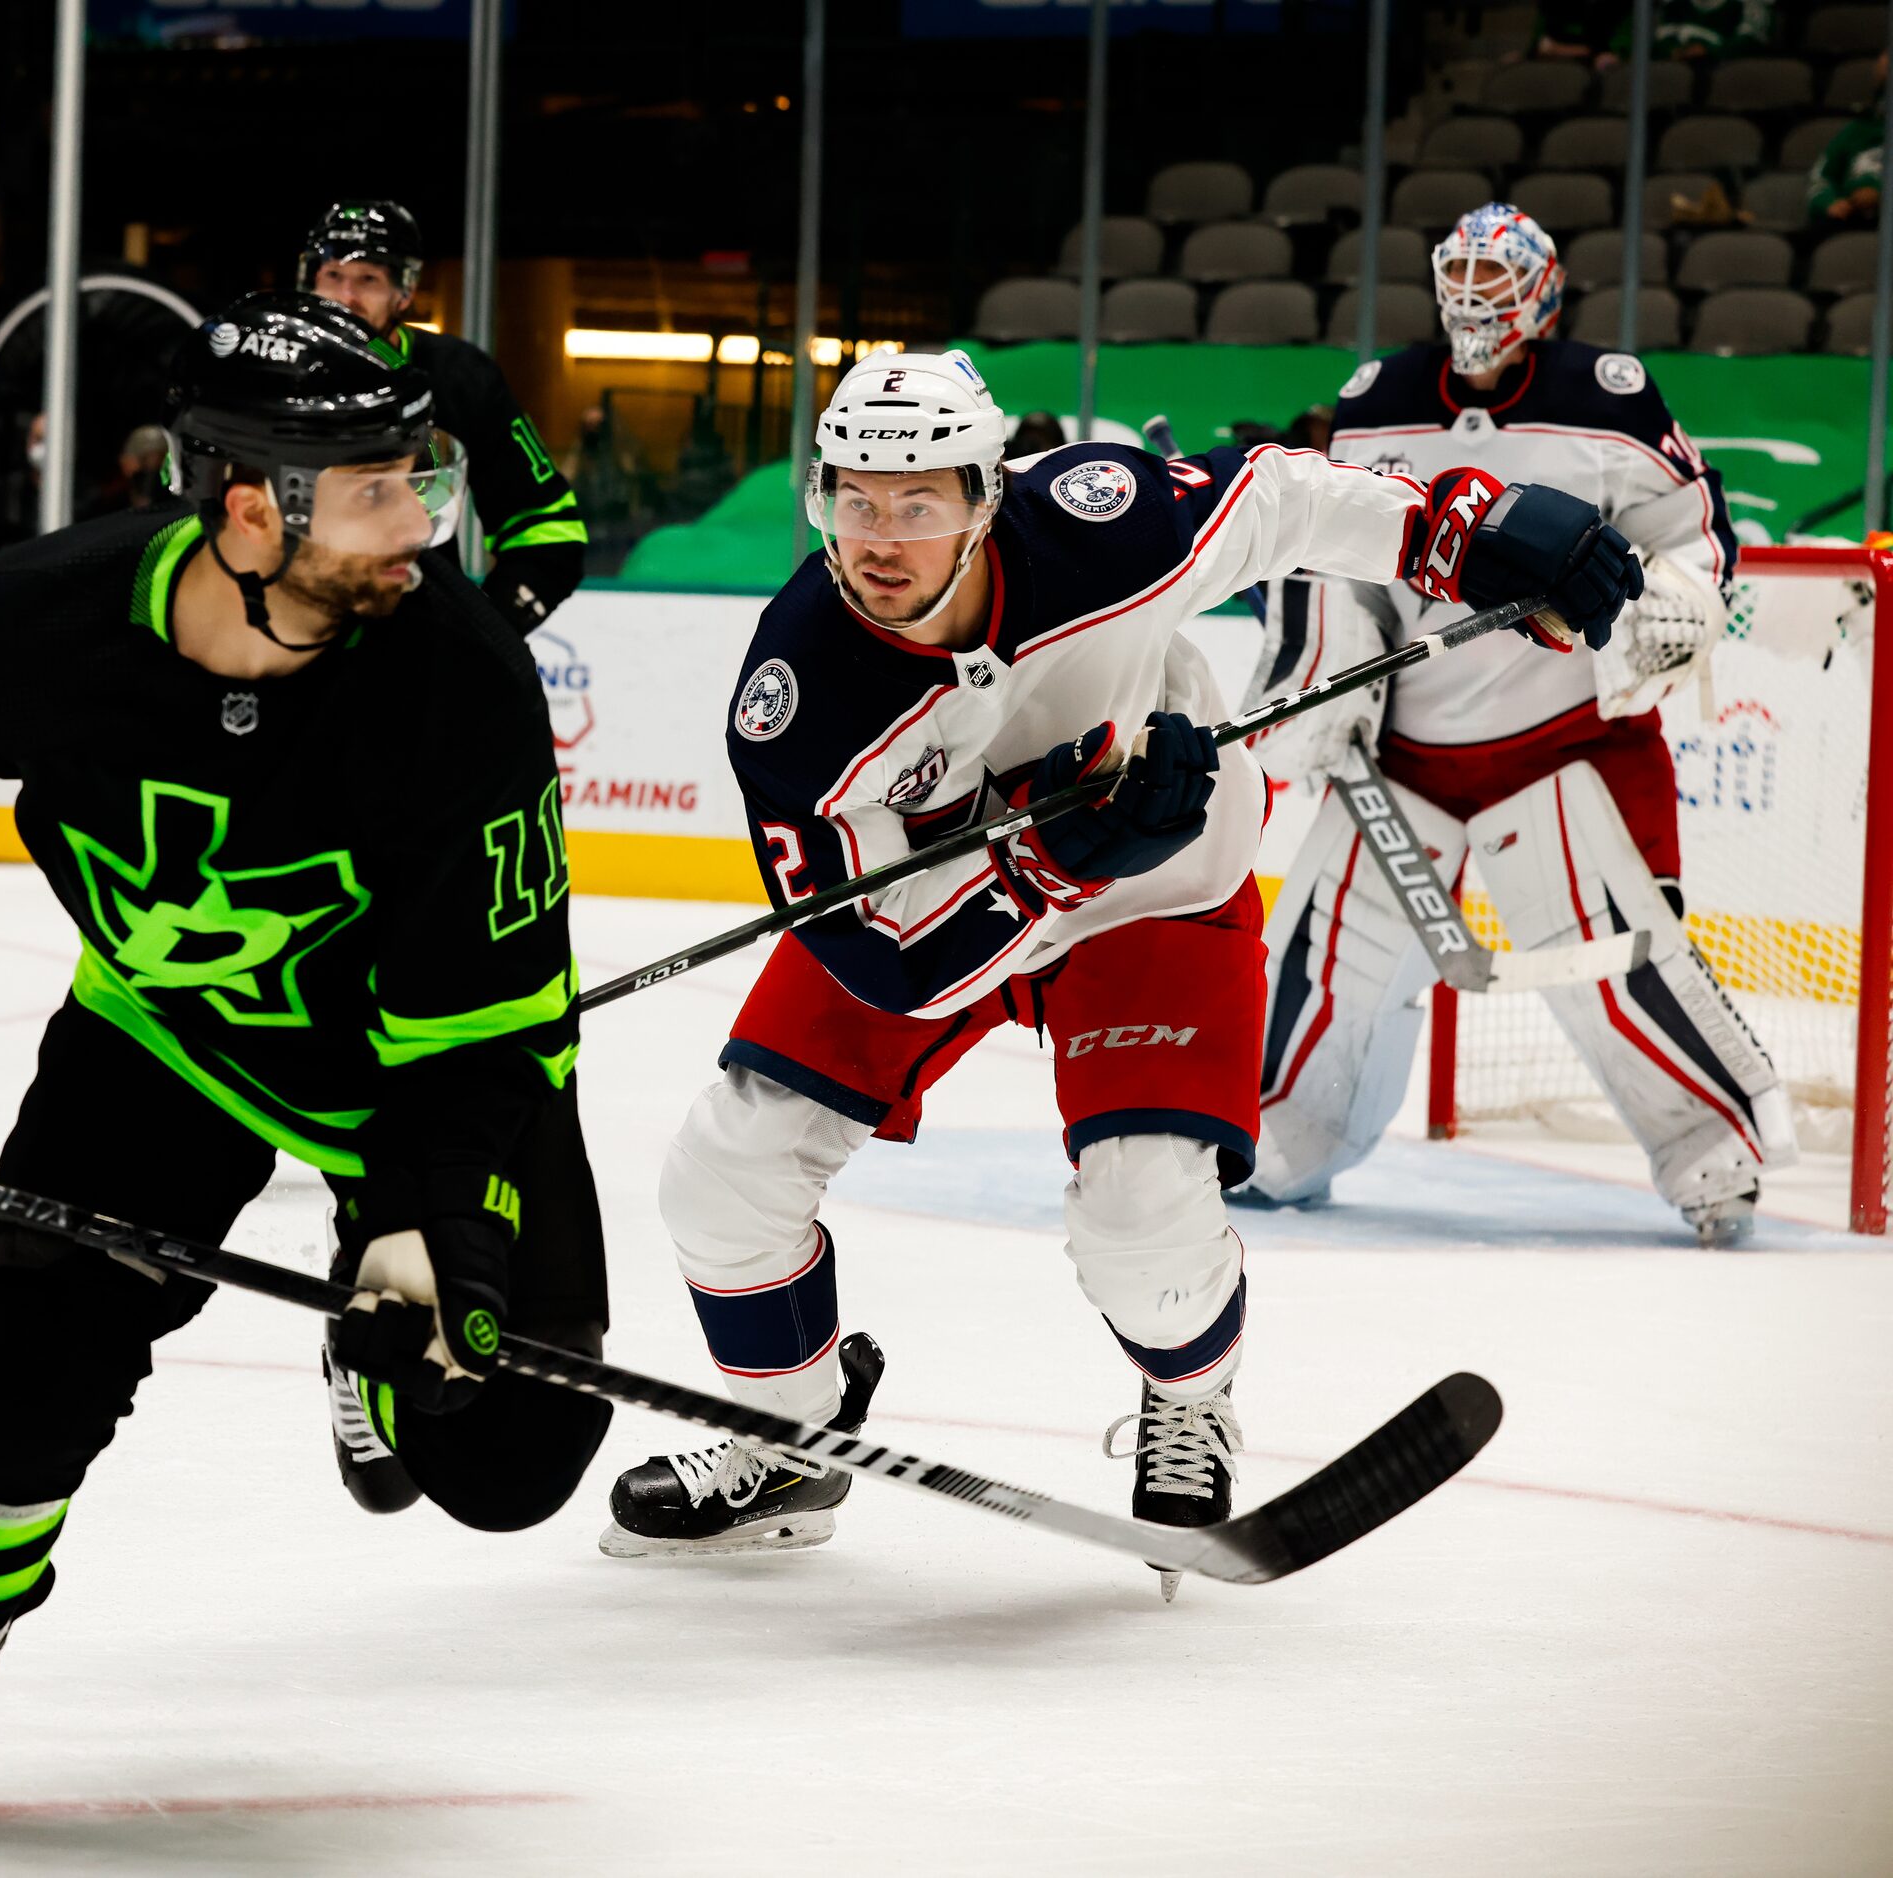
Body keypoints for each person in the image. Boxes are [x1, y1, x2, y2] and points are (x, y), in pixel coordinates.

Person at [0, 292, 612, 1807]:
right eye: (379, 493)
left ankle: (363, 1326)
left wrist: (433, 1225)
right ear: (251, 506)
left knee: (502, 1458)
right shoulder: (44, 617)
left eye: (423, 481)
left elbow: (490, 1020)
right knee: (23, 1359)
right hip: (163, 1041)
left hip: (405, 1076)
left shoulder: (460, 675)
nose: (421, 529)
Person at [596, 349, 1637, 1577]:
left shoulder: (1100, 522)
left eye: (919, 501)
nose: (881, 538)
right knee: (725, 1171)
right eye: (854, 499)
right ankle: (790, 1434)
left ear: (986, 494)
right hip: (935, 922)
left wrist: (1460, 535)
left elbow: (1279, 500)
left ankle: (1189, 1396)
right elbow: (882, 967)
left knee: (1145, 1224)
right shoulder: (796, 695)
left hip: (1157, 902)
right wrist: (1042, 865)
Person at [1240, 204, 1776, 1246]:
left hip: (1564, 740)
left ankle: (1715, 1157)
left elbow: (1692, 530)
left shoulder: (1603, 396)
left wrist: (1679, 594)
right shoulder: (1376, 402)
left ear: (1544, 291)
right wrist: (1317, 679)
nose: (1475, 296)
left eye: (1498, 276)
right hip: (1403, 755)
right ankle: (1277, 1138)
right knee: (1324, 959)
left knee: (1617, 962)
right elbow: (1330, 551)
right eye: (1460, 272)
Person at [300, 199, 588, 633]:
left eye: (368, 280)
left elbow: (550, 532)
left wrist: (484, 635)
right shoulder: (263, 372)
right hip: (283, 650)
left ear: (406, 292)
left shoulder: (459, 378)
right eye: (333, 276)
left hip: (410, 658)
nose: (346, 297)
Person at [1811, 58, 1886, 227]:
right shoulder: (1858, 129)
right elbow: (1821, 179)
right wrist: (1830, 203)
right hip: (1848, 224)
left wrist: (1881, 196)